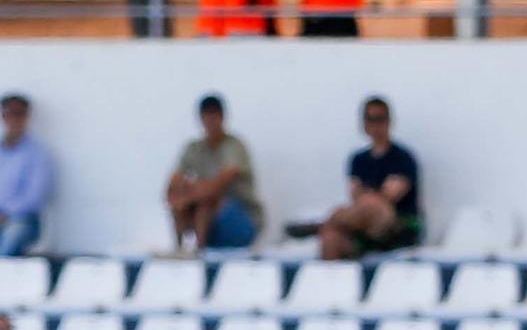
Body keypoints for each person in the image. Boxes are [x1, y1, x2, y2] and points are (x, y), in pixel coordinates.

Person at [292, 97, 421, 259]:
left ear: (389, 121)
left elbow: (388, 196)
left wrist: (366, 199)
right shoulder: (358, 160)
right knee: (330, 236)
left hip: (397, 226)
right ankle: (330, 279)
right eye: (371, 119)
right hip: (363, 228)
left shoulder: (403, 158)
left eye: (380, 119)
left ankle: (322, 224)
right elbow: (355, 196)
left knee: (373, 207)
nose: (376, 125)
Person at [166, 94, 261, 253]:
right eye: (206, 117)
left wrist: (190, 194)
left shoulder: (234, 146)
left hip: (240, 221)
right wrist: (181, 198)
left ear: (222, 117)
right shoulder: (194, 148)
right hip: (209, 226)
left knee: (207, 202)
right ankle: (179, 249)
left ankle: (200, 250)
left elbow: (218, 186)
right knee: (180, 202)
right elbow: (172, 186)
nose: (210, 122)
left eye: (214, 116)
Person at [0, 94, 51, 260]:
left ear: (27, 117)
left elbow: (33, 197)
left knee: (13, 234)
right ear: (1, 116)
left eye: (19, 114)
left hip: (15, 219)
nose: (14, 119)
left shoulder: (37, 154)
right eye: (9, 114)